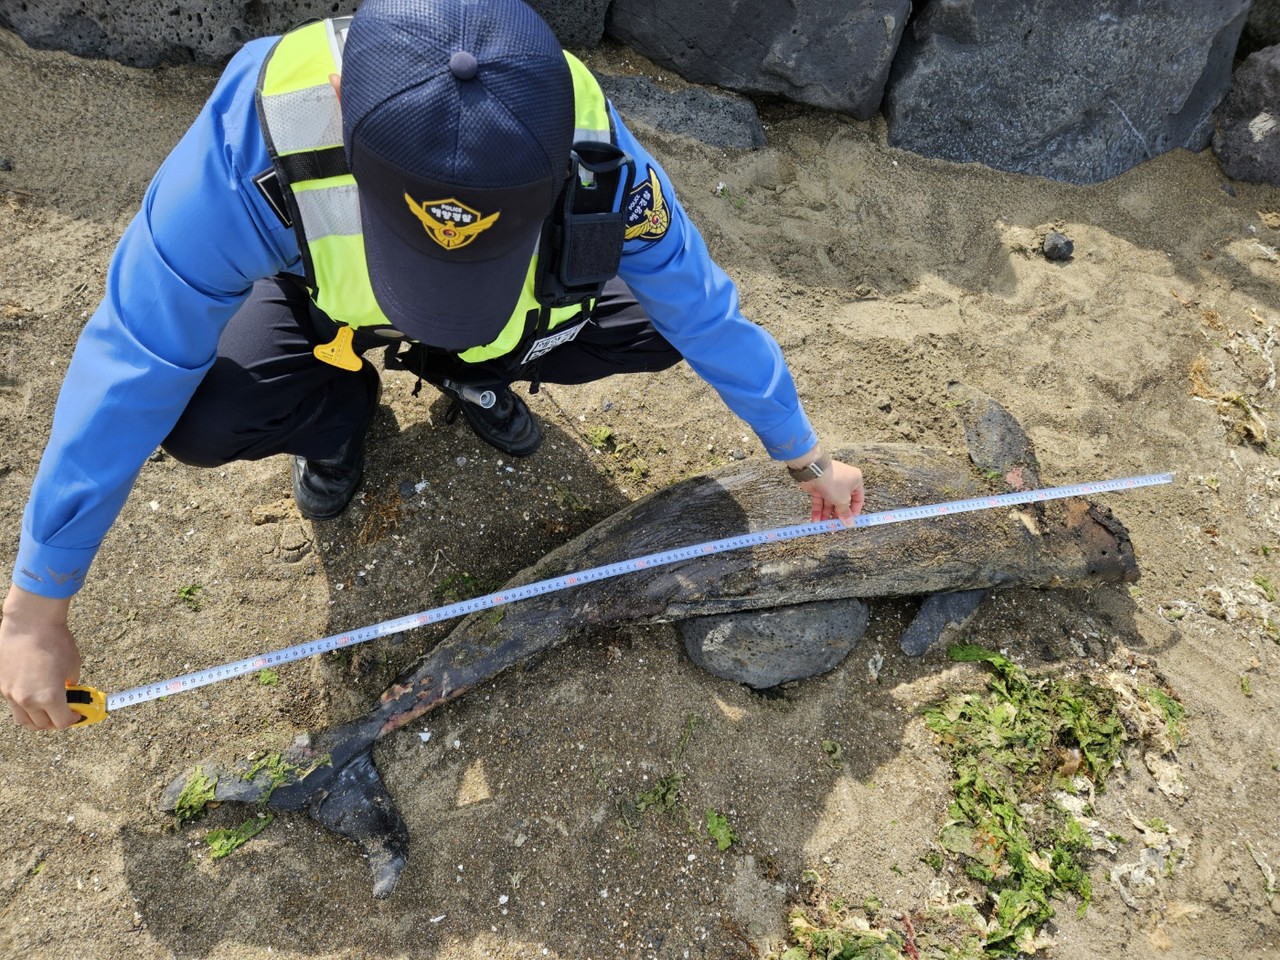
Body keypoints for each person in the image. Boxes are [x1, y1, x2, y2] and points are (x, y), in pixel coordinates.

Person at [0, 0, 866, 731]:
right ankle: (337, 418)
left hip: (513, 322)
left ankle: (471, 368)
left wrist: (803, 454)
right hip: (323, 312)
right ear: (343, 106)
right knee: (199, 412)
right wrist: (38, 604)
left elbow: (703, 307)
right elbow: (136, 353)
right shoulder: (256, 138)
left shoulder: (600, 151)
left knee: (659, 325)